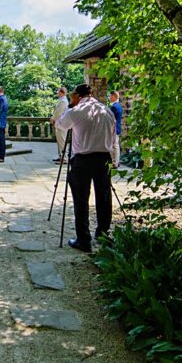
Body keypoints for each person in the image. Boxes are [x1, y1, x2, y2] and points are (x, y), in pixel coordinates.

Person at [56, 84, 116, 253]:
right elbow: (113, 137)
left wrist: (71, 106)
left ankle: (84, 240)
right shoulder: (106, 110)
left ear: (77, 96)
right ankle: (103, 234)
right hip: (104, 158)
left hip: (83, 159)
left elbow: (60, 125)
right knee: (104, 197)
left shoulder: (76, 111)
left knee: (81, 199)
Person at [50, 86, 69, 163]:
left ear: (62, 93)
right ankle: (60, 156)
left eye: (58, 92)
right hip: (59, 123)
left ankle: (64, 158)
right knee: (59, 140)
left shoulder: (63, 101)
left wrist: (53, 118)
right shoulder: (61, 100)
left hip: (62, 124)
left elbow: (58, 112)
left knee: (62, 141)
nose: (57, 93)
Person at [108, 90, 124, 168]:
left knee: (114, 146)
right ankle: (116, 161)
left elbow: (111, 119)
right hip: (116, 128)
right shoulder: (119, 106)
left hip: (113, 128)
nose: (109, 97)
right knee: (115, 145)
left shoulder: (114, 107)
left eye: (110, 96)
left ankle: (115, 163)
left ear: (114, 96)